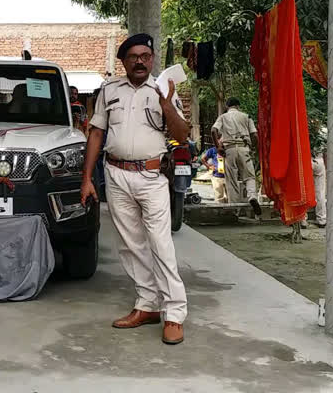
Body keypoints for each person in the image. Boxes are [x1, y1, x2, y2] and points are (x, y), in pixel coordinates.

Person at [80, 33, 189, 345]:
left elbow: (181, 135)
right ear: (124, 61)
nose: (140, 61)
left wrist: (166, 104)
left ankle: (174, 313)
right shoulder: (109, 90)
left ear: (152, 59)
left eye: (145, 56)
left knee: (160, 243)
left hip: (152, 176)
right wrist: (87, 178)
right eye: (133, 57)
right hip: (115, 173)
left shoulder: (164, 88)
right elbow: (97, 134)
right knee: (130, 244)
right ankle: (147, 304)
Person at [212, 98, 262, 215]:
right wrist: (253, 147)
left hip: (229, 150)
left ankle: (235, 210)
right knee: (249, 176)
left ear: (227, 106)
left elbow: (213, 130)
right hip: (244, 148)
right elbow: (255, 135)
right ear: (238, 106)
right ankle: (252, 196)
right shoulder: (246, 116)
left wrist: (218, 146)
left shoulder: (223, 117)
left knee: (231, 179)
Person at [301, 151, 327, 229]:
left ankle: (303, 219)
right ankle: (322, 220)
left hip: (306, 159)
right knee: (320, 192)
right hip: (319, 159)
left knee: (304, 190)